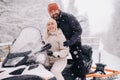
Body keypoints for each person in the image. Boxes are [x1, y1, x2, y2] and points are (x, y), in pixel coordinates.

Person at [48, 3, 86, 80]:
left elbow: (79, 30)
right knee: (56, 58)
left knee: (78, 60)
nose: (54, 13)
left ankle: (82, 77)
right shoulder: (53, 21)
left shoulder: (69, 17)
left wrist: (70, 41)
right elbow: (49, 31)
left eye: (55, 11)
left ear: (58, 9)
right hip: (61, 44)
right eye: (51, 12)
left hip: (74, 42)